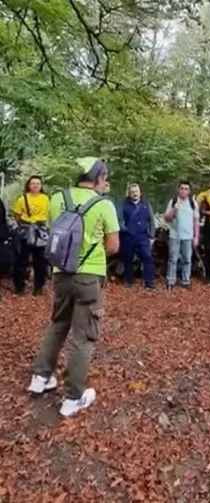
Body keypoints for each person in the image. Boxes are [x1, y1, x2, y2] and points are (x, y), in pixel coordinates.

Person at [27, 157, 120, 418]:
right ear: (99, 178)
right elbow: (113, 247)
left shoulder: (57, 198)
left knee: (58, 324)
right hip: (89, 277)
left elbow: (53, 231)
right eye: (105, 177)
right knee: (83, 336)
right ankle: (72, 398)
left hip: (60, 274)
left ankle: (40, 377)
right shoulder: (104, 206)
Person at [13, 176, 50, 296]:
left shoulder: (45, 198)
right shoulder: (22, 199)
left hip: (40, 231)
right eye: (33, 183)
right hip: (26, 229)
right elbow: (17, 215)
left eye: (38, 184)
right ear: (28, 185)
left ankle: (38, 287)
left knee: (40, 261)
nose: (35, 186)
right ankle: (19, 287)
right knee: (21, 260)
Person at [164, 180, 200, 290]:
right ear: (178, 190)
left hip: (188, 236)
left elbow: (196, 220)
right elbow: (167, 218)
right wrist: (174, 210)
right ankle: (171, 281)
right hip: (175, 235)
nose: (183, 191)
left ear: (189, 191)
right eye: (182, 189)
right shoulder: (173, 201)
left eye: (186, 189)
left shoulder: (192, 203)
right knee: (173, 259)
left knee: (187, 259)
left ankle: (185, 281)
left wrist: (196, 236)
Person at [121, 183, 156, 290]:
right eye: (132, 192)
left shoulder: (146, 204)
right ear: (129, 193)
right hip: (128, 237)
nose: (134, 194)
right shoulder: (124, 205)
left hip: (143, 237)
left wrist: (152, 236)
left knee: (147, 258)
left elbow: (152, 221)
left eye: (136, 191)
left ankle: (149, 283)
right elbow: (120, 220)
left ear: (140, 192)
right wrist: (125, 229)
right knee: (127, 259)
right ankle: (129, 282)